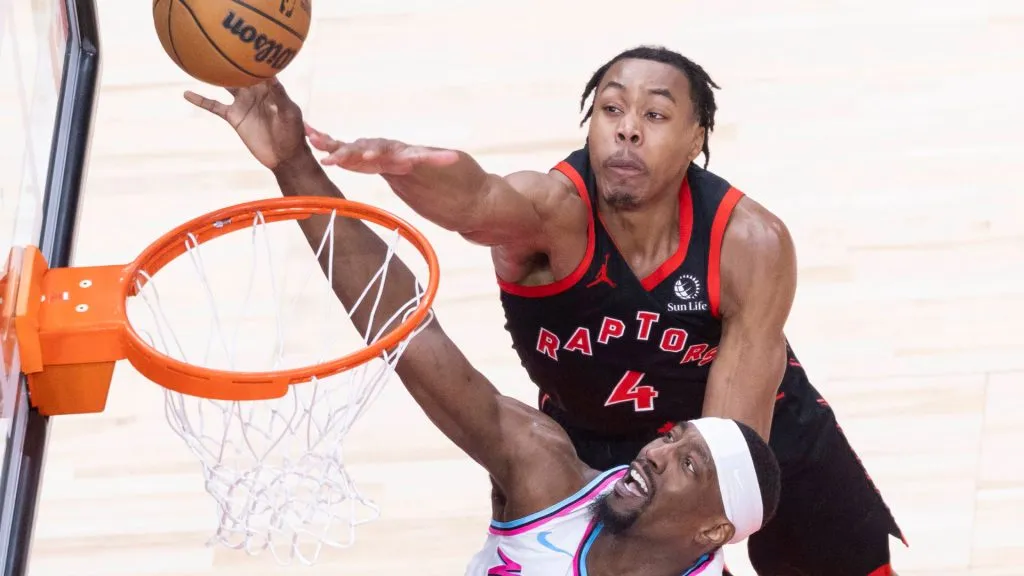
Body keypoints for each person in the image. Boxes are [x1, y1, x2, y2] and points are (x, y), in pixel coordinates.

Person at [185, 43, 905, 575]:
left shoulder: (749, 245)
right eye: (612, 108)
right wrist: (300, 164)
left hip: (761, 444)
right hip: (602, 433)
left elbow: (728, 456)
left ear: (696, 140)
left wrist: (702, 478)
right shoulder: (543, 470)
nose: (626, 129)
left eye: (654, 115)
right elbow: (407, 321)